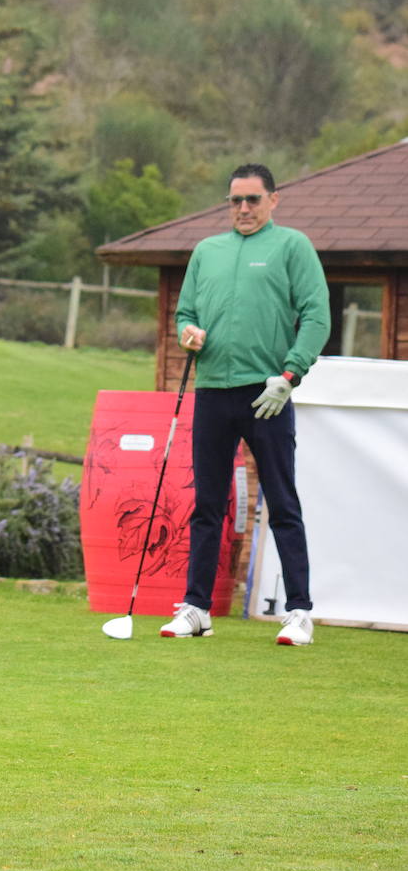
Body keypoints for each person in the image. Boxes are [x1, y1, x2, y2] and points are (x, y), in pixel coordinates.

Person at [166, 163, 330, 645]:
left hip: (268, 394)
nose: (243, 208)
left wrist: (290, 373)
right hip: (214, 390)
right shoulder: (207, 251)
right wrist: (188, 334)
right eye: (235, 200)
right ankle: (197, 607)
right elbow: (186, 312)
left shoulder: (291, 246)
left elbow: (317, 316)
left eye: (253, 199)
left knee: (281, 501)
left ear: (273, 200)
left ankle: (299, 611)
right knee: (207, 504)